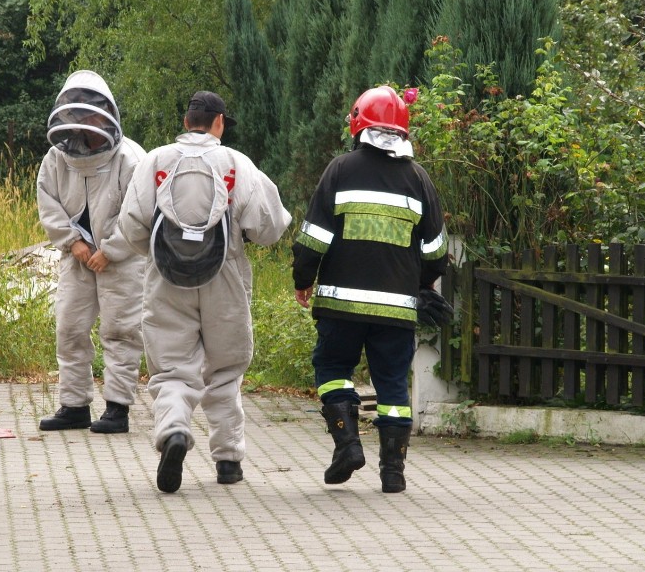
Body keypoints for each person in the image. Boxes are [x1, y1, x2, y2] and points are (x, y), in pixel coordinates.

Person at [118, 91, 291, 493]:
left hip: (166, 279)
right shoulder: (235, 164)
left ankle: (175, 430)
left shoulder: (155, 162)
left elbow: (130, 226)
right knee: (226, 369)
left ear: (185, 122)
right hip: (224, 278)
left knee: (171, 367)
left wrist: (162, 256)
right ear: (220, 123)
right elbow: (269, 226)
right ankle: (228, 461)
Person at [291, 85, 452, 493]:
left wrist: (303, 280)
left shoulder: (340, 170)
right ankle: (393, 473)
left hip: (340, 306)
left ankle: (347, 444)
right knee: (394, 387)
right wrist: (419, 283)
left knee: (331, 371)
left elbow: (313, 238)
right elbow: (436, 251)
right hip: (397, 309)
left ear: (357, 123)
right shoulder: (419, 179)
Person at [36, 70, 147, 434]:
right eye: (81, 113)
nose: (87, 122)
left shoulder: (130, 158)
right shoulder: (56, 158)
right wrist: (74, 243)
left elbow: (138, 211)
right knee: (69, 327)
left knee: (121, 331)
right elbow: (48, 203)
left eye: (94, 114)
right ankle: (74, 405)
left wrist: (110, 250)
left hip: (123, 261)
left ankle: (117, 408)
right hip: (78, 257)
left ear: (107, 114)